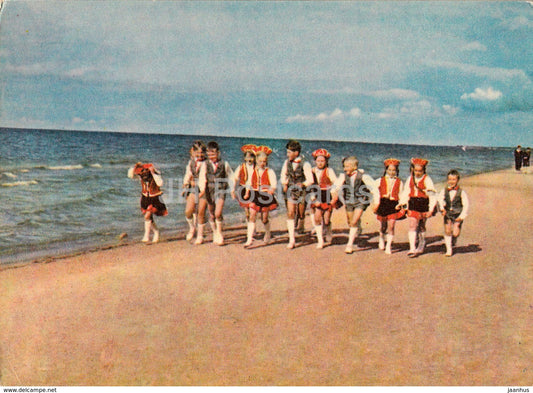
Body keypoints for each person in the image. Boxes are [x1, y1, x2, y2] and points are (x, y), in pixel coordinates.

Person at [331, 156, 377, 254]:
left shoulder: (364, 176)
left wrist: (376, 202)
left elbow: (374, 189)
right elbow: (335, 187)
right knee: (350, 221)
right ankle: (358, 226)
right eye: (344, 167)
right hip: (349, 201)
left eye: (347, 167)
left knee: (353, 222)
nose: (344, 169)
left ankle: (349, 245)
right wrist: (334, 196)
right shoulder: (343, 176)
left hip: (361, 200)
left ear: (354, 167)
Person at [196, 141, 234, 246]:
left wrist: (232, 190)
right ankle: (214, 233)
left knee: (218, 213)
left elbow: (231, 177)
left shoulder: (224, 164)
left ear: (218, 153)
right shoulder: (205, 164)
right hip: (208, 190)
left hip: (221, 189)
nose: (211, 156)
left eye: (213, 154)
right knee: (211, 213)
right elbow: (202, 178)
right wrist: (202, 189)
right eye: (209, 155)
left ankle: (220, 234)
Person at [399, 158, 437, 257]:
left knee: (421, 226)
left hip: (423, 204)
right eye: (416, 170)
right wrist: (403, 203)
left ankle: (422, 243)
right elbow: (406, 192)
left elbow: (432, 195)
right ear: (412, 169)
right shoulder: (410, 179)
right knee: (412, 224)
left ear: (424, 170)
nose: (417, 173)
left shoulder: (427, 179)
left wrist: (431, 209)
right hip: (413, 203)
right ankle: (412, 248)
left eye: (420, 171)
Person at [280, 140, 314, 249]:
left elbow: (310, 180)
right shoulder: (286, 162)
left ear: (296, 152)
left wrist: (303, 184)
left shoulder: (306, 164)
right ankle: (292, 239)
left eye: (289, 152)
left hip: (302, 190)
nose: (287, 155)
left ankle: (302, 223)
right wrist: (284, 183)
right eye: (287, 152)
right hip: (290, 189)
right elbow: (283, 175)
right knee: (290, 213)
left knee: (300, 213)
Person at [244, 146, 278, 247]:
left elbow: (274, 184)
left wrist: (271, 191)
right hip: (255, 195)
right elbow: (248, 183)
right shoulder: (253, 171)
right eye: (260, 161)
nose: (262, 163)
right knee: (252, 214)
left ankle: (267, 233)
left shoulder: (269, 171)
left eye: (264, 161)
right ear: (256, 161)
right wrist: (246, 193)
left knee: (264, 219)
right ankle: (249, 239)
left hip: (265, 196)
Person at [128, 162, 168, 243]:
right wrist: (135, 167)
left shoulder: (155, 175)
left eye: (146, 172)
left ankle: (146, 236)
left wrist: (153, 172)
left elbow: (160, 183)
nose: (144, 175)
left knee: (147, 217)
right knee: (149, 218)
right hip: (145, 198)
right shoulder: (141, 176)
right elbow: (130, 176)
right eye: (142, 172)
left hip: (155, 198)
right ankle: (156, 232)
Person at [373, 158, 405, 255]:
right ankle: (382, 238)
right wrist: (376, 203)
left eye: (393, 170)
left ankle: (388, 246)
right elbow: (375, 192)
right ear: (386, 170)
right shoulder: (379, 180)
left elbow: (401, 194)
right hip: (383, 204)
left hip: (393, 205)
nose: (391, 172)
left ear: (396, 171)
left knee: (391, 226)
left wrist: (401, 204)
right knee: (383, 226)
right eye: (389, 170)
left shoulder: (400, 182)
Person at [309, 148, 338, 249]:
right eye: (318, 161)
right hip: (317, 195)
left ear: (326, 162)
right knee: (317, 218)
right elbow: (311, 184)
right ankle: (320, 240)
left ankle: (328, 230)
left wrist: (334, 195)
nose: (320, 163)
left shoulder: (329, 171)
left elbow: (335, 183)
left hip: (328, 195)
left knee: (326, 219)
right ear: (315, 161)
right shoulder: (312, 171)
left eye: (322, 161)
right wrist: (313, 196)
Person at [437, 169, 470, 257]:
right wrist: (442, 208)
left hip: (458, 214)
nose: (451, 181)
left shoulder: (461, 192)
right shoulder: (444, 190)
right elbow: (440, 199)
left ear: (457, 180)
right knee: (447, 230)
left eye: (453, 179)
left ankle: (453, 240)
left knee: (455, 233)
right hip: (448, 213)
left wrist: (462, 216)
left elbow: (466, 205)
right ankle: (449, 249)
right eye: (449, 179)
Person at [183, 141, 206, 241]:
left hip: (204, 189)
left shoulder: (207, 163)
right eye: (198, 153)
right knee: (188, 211)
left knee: (201, 212)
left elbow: (205, 177)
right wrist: (185, 183)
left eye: (202, 153)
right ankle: (192, 228)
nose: (200, 155)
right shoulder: (191, 162)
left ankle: (200, 235)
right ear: (194, 152)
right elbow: (188, 173)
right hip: (193, 188)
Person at [232, 144, 257, 229]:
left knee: (252, 210)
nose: (250, 159)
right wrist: (233, 190)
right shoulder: (241, 167)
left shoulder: (256, 167)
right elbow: (235, 178)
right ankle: (250, 226)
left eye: (251, 157)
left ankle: (252, 228)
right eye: (248, 157)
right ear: (244, 158)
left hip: (253, 190)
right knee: (247, 211)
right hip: (242, 189)